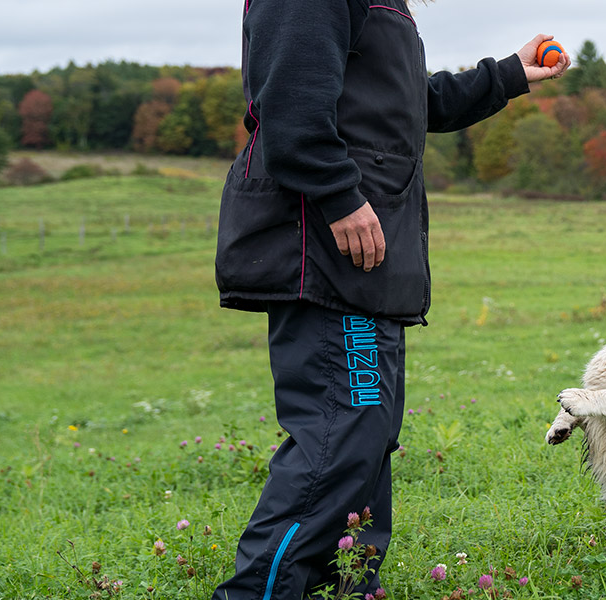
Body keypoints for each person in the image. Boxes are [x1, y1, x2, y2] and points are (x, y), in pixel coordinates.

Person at [212, 1, 568, 597]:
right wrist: (340, 197)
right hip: (330, 254)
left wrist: (507, 75)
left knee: (366, 442)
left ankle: (345, 590)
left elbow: (403, 102)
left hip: (369, 260)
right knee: (340, 440)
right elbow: (293, 108)